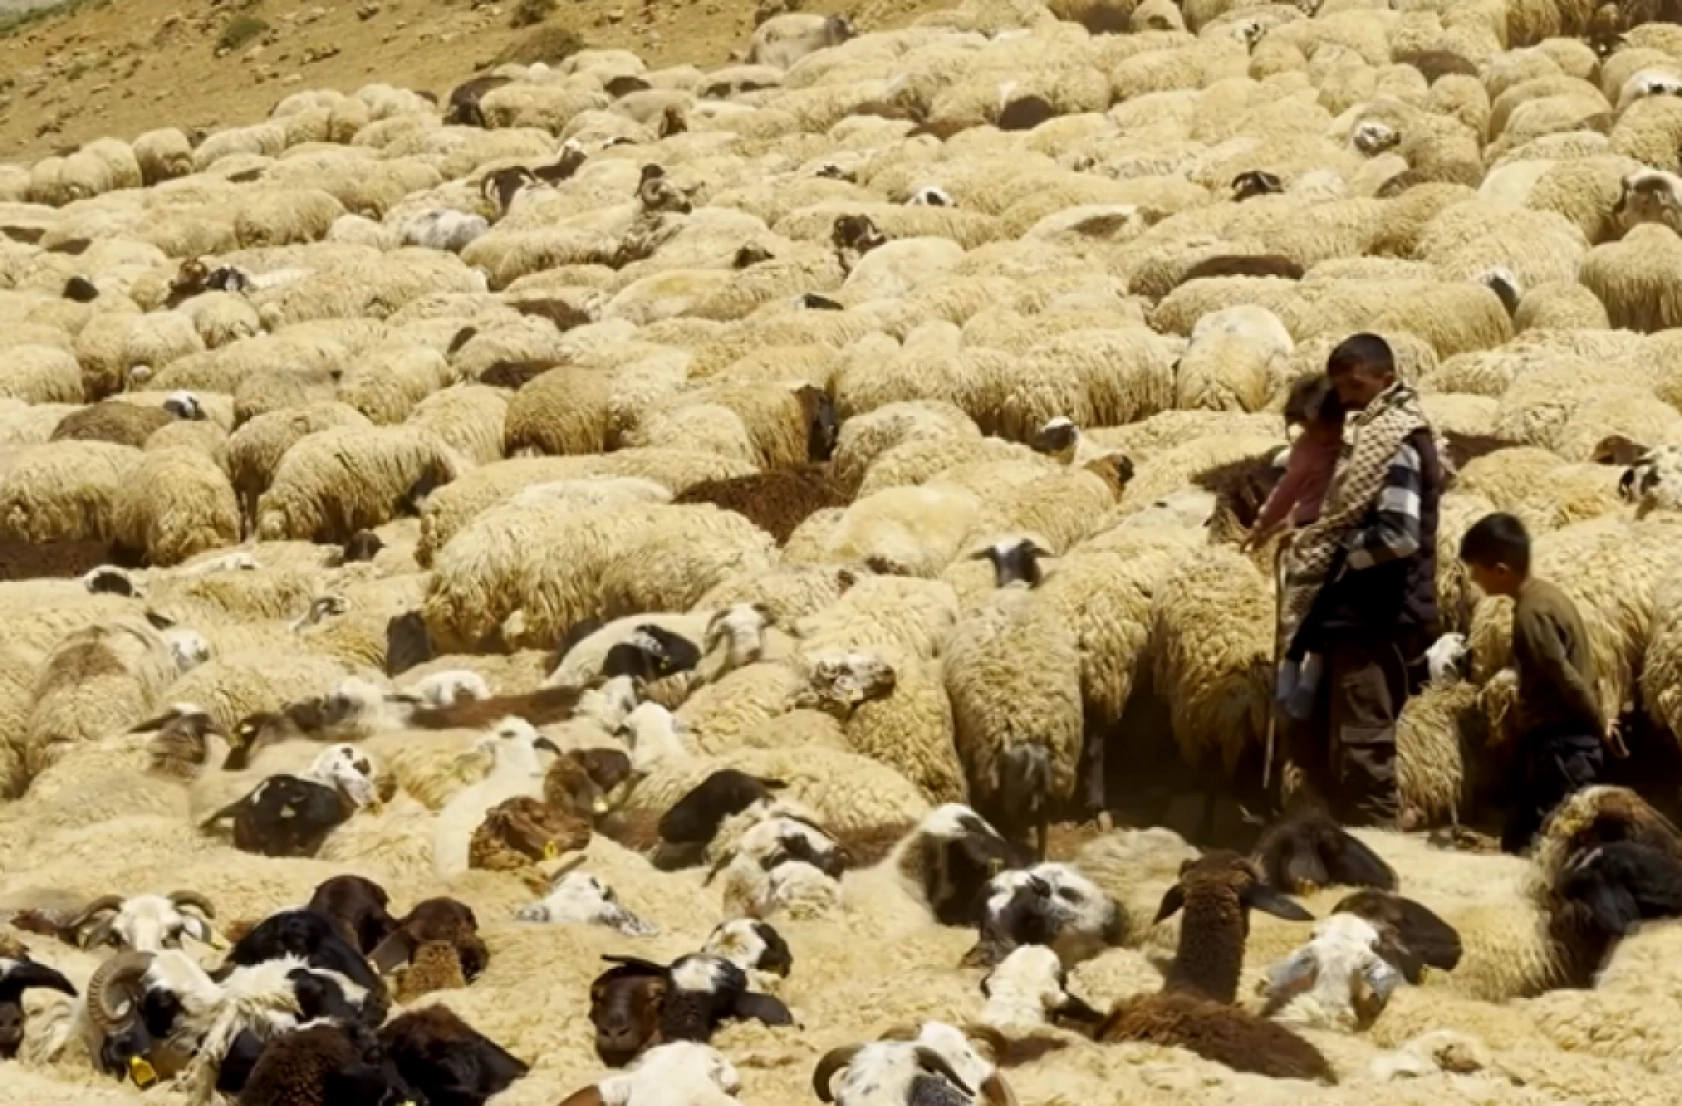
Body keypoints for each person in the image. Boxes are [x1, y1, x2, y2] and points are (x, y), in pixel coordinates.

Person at [1277, 333, 1444, 829]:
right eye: (1339, 386)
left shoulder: (1396, 444)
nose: (1346, 397)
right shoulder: (1368, 440)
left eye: (1355, 384)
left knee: (1364, 735)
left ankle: (1377, 841)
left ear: (1385, 379)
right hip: (1361, 611)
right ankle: (1345, 833)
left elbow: (1399, 535)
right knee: (1343, 730)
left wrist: (1334, 550)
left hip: (1378, 612)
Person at [1458, 512, 1624, 854]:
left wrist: (1600, 724)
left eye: (1476, 570)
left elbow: (1563, 675)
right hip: (1561, 743)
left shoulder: (1531, 615)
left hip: (1565, 745)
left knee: (1571, 841)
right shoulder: (1548, 596)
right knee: (1524, 834)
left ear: (1500, 571)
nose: (1473, 579)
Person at [1244, 377, 1347, 722]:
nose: (1316, 433)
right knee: (1296, 611)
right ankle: (1288, 676)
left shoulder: (1351, 445)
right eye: (1306, 426)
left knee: (1328, 614)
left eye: (1319, 425)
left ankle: (1311, 681)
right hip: (1307, 535)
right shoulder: (1306, 450)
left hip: (1342, 534)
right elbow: (1287, 489)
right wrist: (1262, 527)